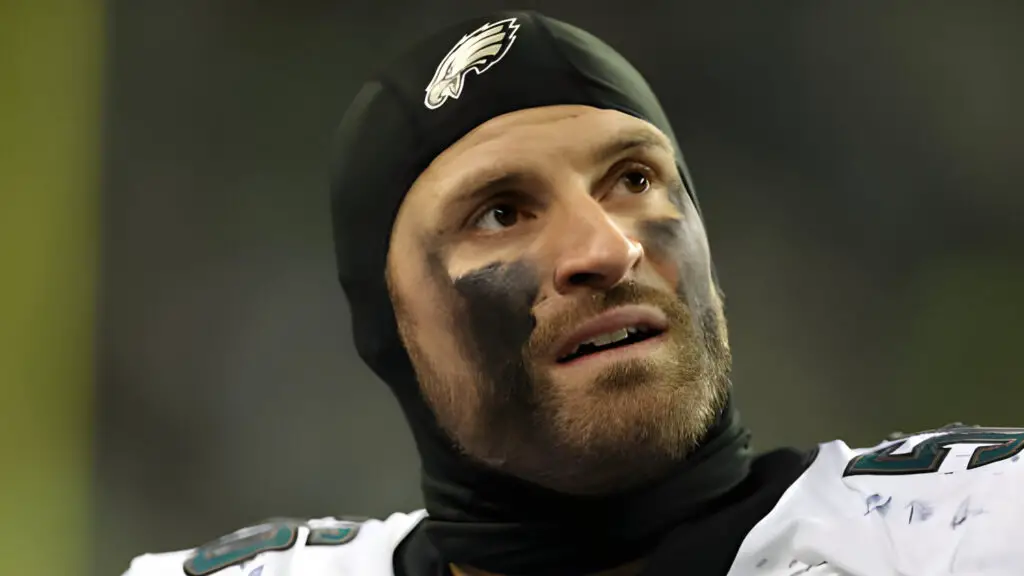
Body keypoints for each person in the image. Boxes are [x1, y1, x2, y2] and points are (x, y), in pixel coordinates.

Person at [122, 10, 1024, 576]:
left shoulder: (973, 534)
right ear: (386, 322)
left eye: (633, 180)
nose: (606, 247)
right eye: (502, 212)